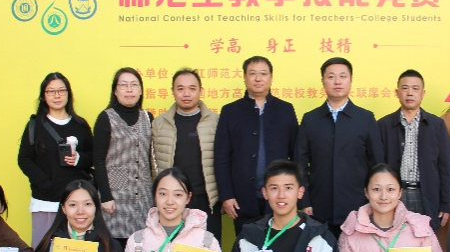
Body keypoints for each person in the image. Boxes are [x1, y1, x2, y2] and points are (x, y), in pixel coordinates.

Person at [296, 57, 384, 238]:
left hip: (358, 207)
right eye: (331, 77)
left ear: (350, 80)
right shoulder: (310, 119)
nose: (337, 81)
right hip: (318, 206)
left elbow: (377, 166)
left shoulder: (365, 119)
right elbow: (300, 165)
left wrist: (373, 202)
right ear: (323, 81)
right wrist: (304, 202)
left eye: (343, 76)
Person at [215, 56, 298, 236]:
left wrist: (294, 193)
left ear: (271, 77)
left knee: (280, 246)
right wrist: (226, 196)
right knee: (246, 245)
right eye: (252, 74)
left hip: (279, 197)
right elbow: (221, 157)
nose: (258, 78)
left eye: (263, 73)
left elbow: (296, 155)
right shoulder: (230, 111)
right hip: (242, 197)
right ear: (245, 77)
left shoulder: (285, 109)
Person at [18, 72, 94, 246]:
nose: (57, 95)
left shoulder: (80, 125)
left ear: (68, 94)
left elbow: (93, 157)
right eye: (51, 91)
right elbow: (24, 159)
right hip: (45, 202)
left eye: (61, 90)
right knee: (44, 251)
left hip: (77, 204)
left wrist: (78, 159)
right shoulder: (35, 126)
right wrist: (45, 183)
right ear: (44, 96)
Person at [377, 69, 450, 231]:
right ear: (397, 92)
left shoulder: (436, 125)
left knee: (424, 239)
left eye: (415, 88)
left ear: (423, 93)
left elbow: (445, 166)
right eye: (405, 88)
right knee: (393, 238)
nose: (410, 93)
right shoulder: (384, 125)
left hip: (426, 194)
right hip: (394, 195)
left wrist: (445, 202)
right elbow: (377, 165)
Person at [152, 69, 221, 242]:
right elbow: (152, 163)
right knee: (172, 248)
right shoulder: (159, 124)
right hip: (172, 201)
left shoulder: (215, 122)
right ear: (173, 91)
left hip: (206, 200)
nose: (186, 94)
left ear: (200, 91)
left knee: (207, 249)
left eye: (192, 88)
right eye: (180, 88)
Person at [94, 68, 154, 248]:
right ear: (115, 90)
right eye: (124, 85)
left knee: (142, 248)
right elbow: (98, 159)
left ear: (141, 90)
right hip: (115, 198)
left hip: (143, 196)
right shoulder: (106, 118)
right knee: (115, 247)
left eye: (134, 85)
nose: (129, 89)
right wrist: (105, 196)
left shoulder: (148, 117)